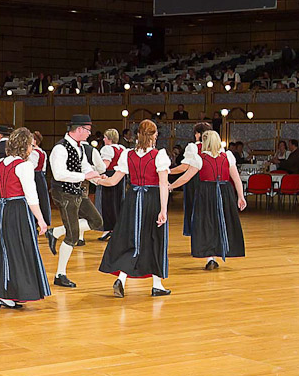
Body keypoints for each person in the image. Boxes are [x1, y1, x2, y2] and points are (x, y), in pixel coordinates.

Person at [96, 120, 171, 297]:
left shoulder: (127, 155)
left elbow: (113, 180)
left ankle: (121, 279)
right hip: (152, 199)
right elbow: (162, 184)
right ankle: (157, 284)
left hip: (132, 200)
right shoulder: (159, 155)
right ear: (154, 136)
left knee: (131, 239)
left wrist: (97, 179)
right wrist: (163, 210)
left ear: (137, 135)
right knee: (154, 240)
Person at [0, 127, 50, 309]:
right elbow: (31, 196)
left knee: (6, 250)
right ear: (25, 146)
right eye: (31, 144)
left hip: (4, 210)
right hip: (20, 210)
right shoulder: (25, 166)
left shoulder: (1, 163)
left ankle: (7, 292)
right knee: (22, 250)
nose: (32, 147)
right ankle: (16, 292)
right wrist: (41, 220)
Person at [169, 130, 246, 270]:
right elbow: (236, 178)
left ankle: (211, 257)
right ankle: (216, 254)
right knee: (220, 222)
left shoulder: (200, 158)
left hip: (206, 192)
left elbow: (186, 177)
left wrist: (171, 186)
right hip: (224, 192)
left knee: (207, 223)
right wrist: (241, 196)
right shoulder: (227, 156)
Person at [47, 115, 103, 288]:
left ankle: (55, 232)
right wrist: (84, 176)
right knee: (72, 235)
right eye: (87, 130)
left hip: (76, 191)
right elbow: (58, 174)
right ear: (79, 129)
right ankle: (60, 274)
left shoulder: (79, 147)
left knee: (96, 221)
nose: (89, 133)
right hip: (63, 193)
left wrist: (94, 177)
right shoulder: (60, 149)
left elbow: (85, 166)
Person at [170, 122, 212, 237]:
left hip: (195, 180)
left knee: (193, 208)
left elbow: (184, 167)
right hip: (210, 181)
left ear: (197, 134)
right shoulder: (215, 148)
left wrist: (167, 171)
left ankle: (195, 233)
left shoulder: (193, 147)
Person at [95, 129, 126, 241]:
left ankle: (108, 229)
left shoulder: (107, 149)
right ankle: (116, 228)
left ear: (109, 138)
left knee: (107, 203)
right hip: (120, 176)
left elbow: (105, 165)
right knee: (117, 203)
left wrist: (95, 170)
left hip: (109, 175)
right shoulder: (122, 148)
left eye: (105, 137)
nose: (103, 139)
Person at [28, 131, 51, 230]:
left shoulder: (33, 153)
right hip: (41, 176)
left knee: (34, 198)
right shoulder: (42, 152)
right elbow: (44, 167)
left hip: (35, 176)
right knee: (42, 199)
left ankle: (35, 221)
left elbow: (32, 166)